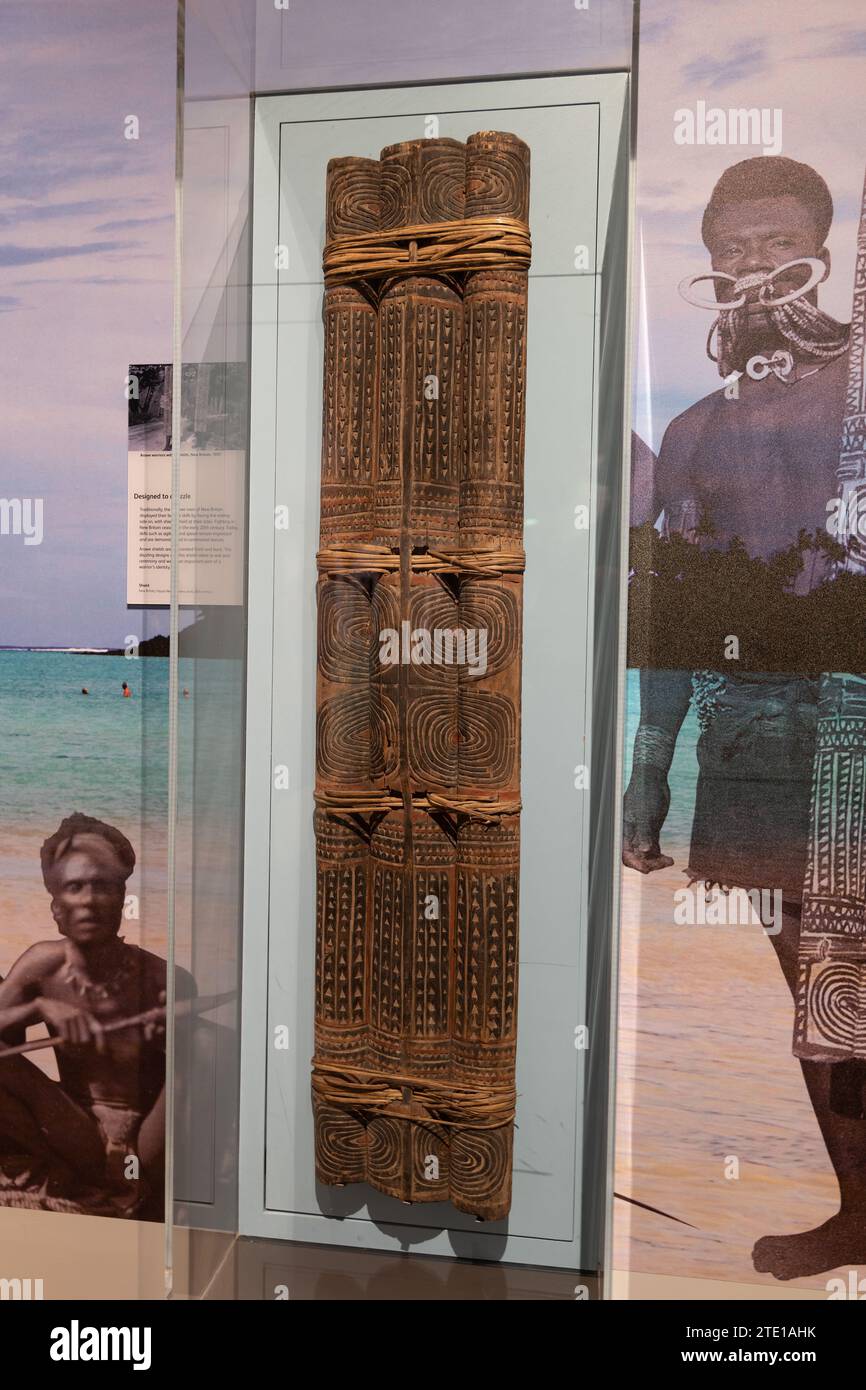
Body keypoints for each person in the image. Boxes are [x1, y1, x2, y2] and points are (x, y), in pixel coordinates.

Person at [623, 156, 866, 1279]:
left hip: (854, 738)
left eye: (775, 240)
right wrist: (646, 770)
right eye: (731, 246)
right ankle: (858, 1208)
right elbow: (672, 616)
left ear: (818, 244)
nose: (753, 262)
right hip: (751, 754)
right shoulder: (689, 435)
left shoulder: (859, 393)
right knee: (816, 1000)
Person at [0, 814, 194, 1211]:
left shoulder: (165, 980)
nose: (89, 900)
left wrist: (178, 1044)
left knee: (203, 1047)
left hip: (141, 1152)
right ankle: (65, 1173)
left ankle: (130, 1192)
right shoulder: (42, 966)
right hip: (75, 1136)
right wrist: (38, 1006)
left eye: (103, 886)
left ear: (124, 898)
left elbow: (192, 1092)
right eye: (75, 887)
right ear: (56, 904)